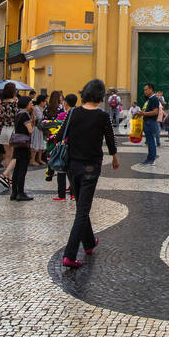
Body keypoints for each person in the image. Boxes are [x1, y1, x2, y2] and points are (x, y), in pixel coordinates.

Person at [61, 79, 119, 269]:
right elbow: (110, 139)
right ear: (101, 96)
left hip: (72, 166)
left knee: (81, 204)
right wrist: (115, 158)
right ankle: (70, 254)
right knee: (83, 210)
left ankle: (88, 243)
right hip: (90, 167)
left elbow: (62, 134)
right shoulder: (102, 116)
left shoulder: (73, 113)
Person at [8, 96, 34, 201]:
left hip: (18, 144)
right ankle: (21, 193)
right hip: (24, 144)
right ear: (27, 104)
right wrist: (32, 121)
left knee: (17, 169)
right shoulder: (25, 115)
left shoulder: (18, 113)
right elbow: (30, 130)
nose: (32, 105)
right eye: (31, 103)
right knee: (22, 169)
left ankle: (14, 192)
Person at [0, 83, 19, 190]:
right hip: (13, 129)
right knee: (16, 155)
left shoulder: (1, 103)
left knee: (7, 155)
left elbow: (0, 116)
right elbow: (18, 116)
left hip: (4, 129)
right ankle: (5, 174)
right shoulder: (15, 103)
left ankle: (9, 179)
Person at [137, 82, 162, 167]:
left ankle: (151, 160)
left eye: (146, 89)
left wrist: (143, 113)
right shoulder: (150, 99)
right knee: (150, 141)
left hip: (150, 123)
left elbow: (155, 112)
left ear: (151, 89)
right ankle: (149, 159)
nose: (145, 91)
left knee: (151, 142)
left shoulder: (154, 99)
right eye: (144, 90)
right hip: (148, 122)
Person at [30, 94, 48, 166]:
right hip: (36, 128)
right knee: (35, 143)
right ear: (41, 102)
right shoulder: (36, 108)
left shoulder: (43, 108)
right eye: (44, 101)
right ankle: (32, 160)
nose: (45, 103)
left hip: (41, 128)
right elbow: (40, 117)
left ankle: (39, 159)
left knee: (41, 143)